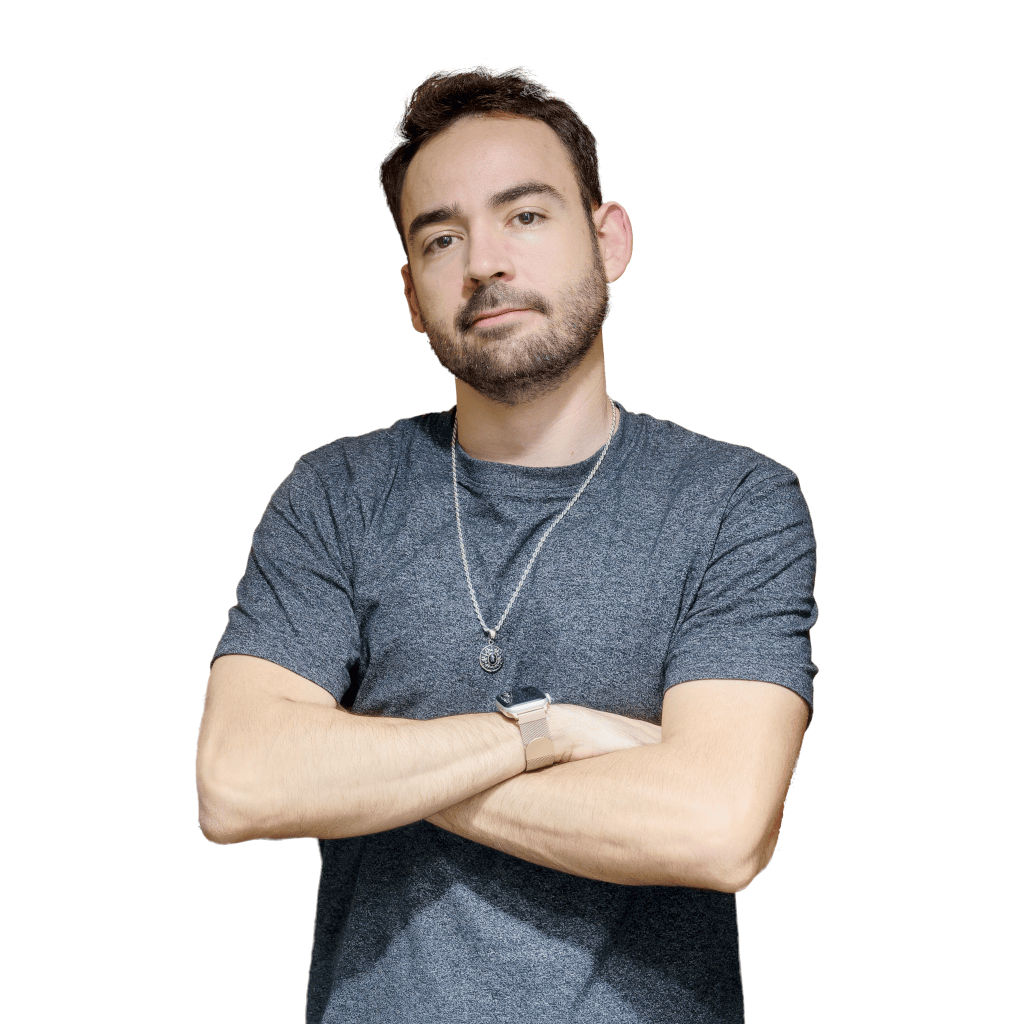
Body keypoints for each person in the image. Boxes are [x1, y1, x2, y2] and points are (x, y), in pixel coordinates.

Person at [196, 65, 818, 1024]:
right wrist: (547, 732)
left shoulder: (734, 503)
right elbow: (240, 782)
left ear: (609, 240)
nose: (483, 261)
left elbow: (718, 827)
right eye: (441, 237)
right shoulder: (337, 494)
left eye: (525, 215)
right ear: (413, 294)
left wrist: (363, 775)